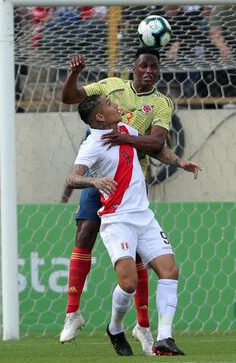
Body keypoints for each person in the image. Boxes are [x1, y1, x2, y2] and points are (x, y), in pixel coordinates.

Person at [59, 49, 200, 353]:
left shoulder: (134, 122)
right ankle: (105, 324)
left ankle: (161, 336)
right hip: (116, 212)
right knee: (125, 280)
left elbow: (155, 147)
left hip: (140, 209)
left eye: (154, 66)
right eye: (110, 104)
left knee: (169, 270)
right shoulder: (93, 140)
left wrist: (179, 162)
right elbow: (73, 176)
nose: (116, 105)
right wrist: (94, 181)